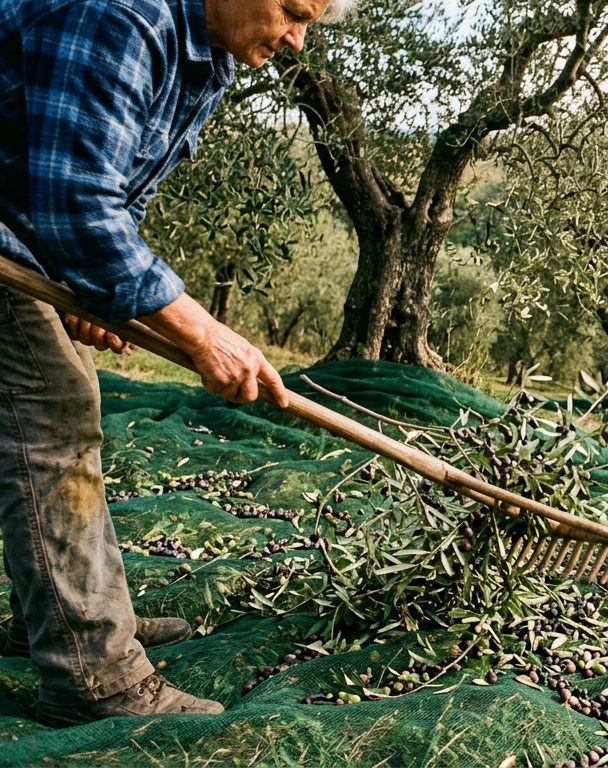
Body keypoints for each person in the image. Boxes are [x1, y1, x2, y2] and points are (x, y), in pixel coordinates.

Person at [0, 0, 352, 727]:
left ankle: (63, 618)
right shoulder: (122, 13)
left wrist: (89, 292)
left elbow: (112, 194)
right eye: (291, 10)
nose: (296, 39)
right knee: (53, 418)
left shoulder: (208, 59)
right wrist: (201, 332)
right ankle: (93, 677)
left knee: (65, 402)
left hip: (25, 236)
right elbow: (76, 203)